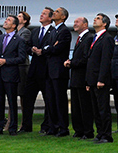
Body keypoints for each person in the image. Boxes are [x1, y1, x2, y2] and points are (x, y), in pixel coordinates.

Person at [20, 7, 54, 134]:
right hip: (33, 70)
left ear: (50, 18)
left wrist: (42, 51)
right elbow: (27, 46)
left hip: (46, 70)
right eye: (41, 13)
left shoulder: (53, 31)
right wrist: (32, 50)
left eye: (44, 14)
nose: (41, 16)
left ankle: (46, 125)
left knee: (48, 99)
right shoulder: (35, 31)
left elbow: (53, 47)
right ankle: (26, 125)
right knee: (28, 99)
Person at [0, 14, 27, 136]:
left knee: (12, 102)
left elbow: (22, 58)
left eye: (8, 20)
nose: (5, 22)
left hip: (11, 74)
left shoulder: (19, 40)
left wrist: (6, 61)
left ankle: (12, 128)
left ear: (14, 25)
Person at [42, 7, 71, 137]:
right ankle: (53, 127)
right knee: (50, 100)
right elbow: (47, 47)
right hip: (49, 70)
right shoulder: (53, 31)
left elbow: (57, 49)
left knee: (60, 100)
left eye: (57, 12)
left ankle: (63, 128)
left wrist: (50, 48)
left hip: (59, 71)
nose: (54, 13)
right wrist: (50, 47)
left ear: (63, 17)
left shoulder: (64, 31)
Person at [86, 13, 114, 144]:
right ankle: (100, 132)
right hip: (93, 80)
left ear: (104, 24)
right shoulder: (95, 38)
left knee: (103, 109)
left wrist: (101, 79)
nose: (94, 20)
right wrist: (88, 81)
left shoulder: (107, 38)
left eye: (98, 19)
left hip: (100, 80)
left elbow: (105, 60)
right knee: (95, 109)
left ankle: (107, 135)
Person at [65, 16, 94, 139]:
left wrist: (71, 63)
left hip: (83, 78)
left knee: (85, 107)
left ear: (85, 25)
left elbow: (86, 59)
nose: (74, 24)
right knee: (76, 107)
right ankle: (79, 130)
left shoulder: (88, 38)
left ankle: (88, 131)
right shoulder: (80, 38)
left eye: (78, 22)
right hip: (76, 79)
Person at [16, 11, 32, 115]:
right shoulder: (15, 32)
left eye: (20, 16)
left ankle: (24, 119)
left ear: (25, 20)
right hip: (14, 65)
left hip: (22, 65)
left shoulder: (25, 32)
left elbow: (19, 44)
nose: (17, 17)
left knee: (22, 93)